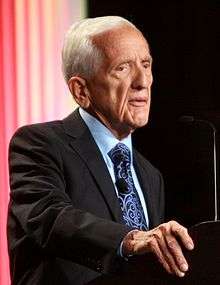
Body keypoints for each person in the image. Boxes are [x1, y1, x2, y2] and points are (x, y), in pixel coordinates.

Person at [7, 16, 194, 285]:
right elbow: (49, 217)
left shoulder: (151, 175)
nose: (143, 82)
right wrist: (130, 240)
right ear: (81, 90)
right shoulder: (40, 143)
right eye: (122, 68)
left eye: (146, 64)